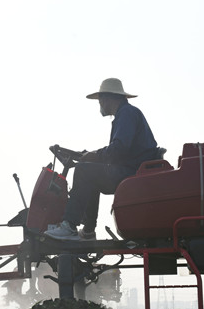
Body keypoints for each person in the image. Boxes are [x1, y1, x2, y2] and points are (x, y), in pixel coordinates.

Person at [45, 78, 159, 240]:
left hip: (132, 171)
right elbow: (118, 152)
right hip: (133, 168)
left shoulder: (127, 113)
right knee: (90, 170)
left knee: (84, 171)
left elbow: (119, 149)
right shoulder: (126, 113)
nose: (99, 104)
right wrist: (92, 156)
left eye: (99, 100)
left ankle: (69, 226)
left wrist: (94, 155)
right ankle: (88, 231)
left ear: (106, 99)